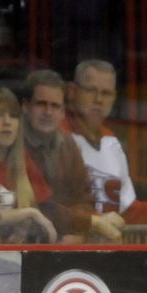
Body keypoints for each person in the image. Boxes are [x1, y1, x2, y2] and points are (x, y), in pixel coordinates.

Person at [20, 69, 119, 243]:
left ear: (63, 111)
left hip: (64, 242)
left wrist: (77, 233)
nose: (48, 112)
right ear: (26, 106)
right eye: (41, 104)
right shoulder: (13, 143)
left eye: (55, 105)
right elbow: (37, 204)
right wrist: (88, 222)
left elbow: (85, 199)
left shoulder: (68, 143)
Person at [64, 58, 147, 226]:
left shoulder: (111, 141)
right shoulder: (57, 135)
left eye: (106, 93)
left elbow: (127, 209)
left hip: (107, 248)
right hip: (67, 247)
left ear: (114, 97)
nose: (98, 99)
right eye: (91, 90)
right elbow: (52, 206)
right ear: (72, 91)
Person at [0, 87, 57, 243]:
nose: (7, 122)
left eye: (13, 116)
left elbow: (48, 224)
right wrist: (28, 213)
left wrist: (27, 231)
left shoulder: (25, 163)